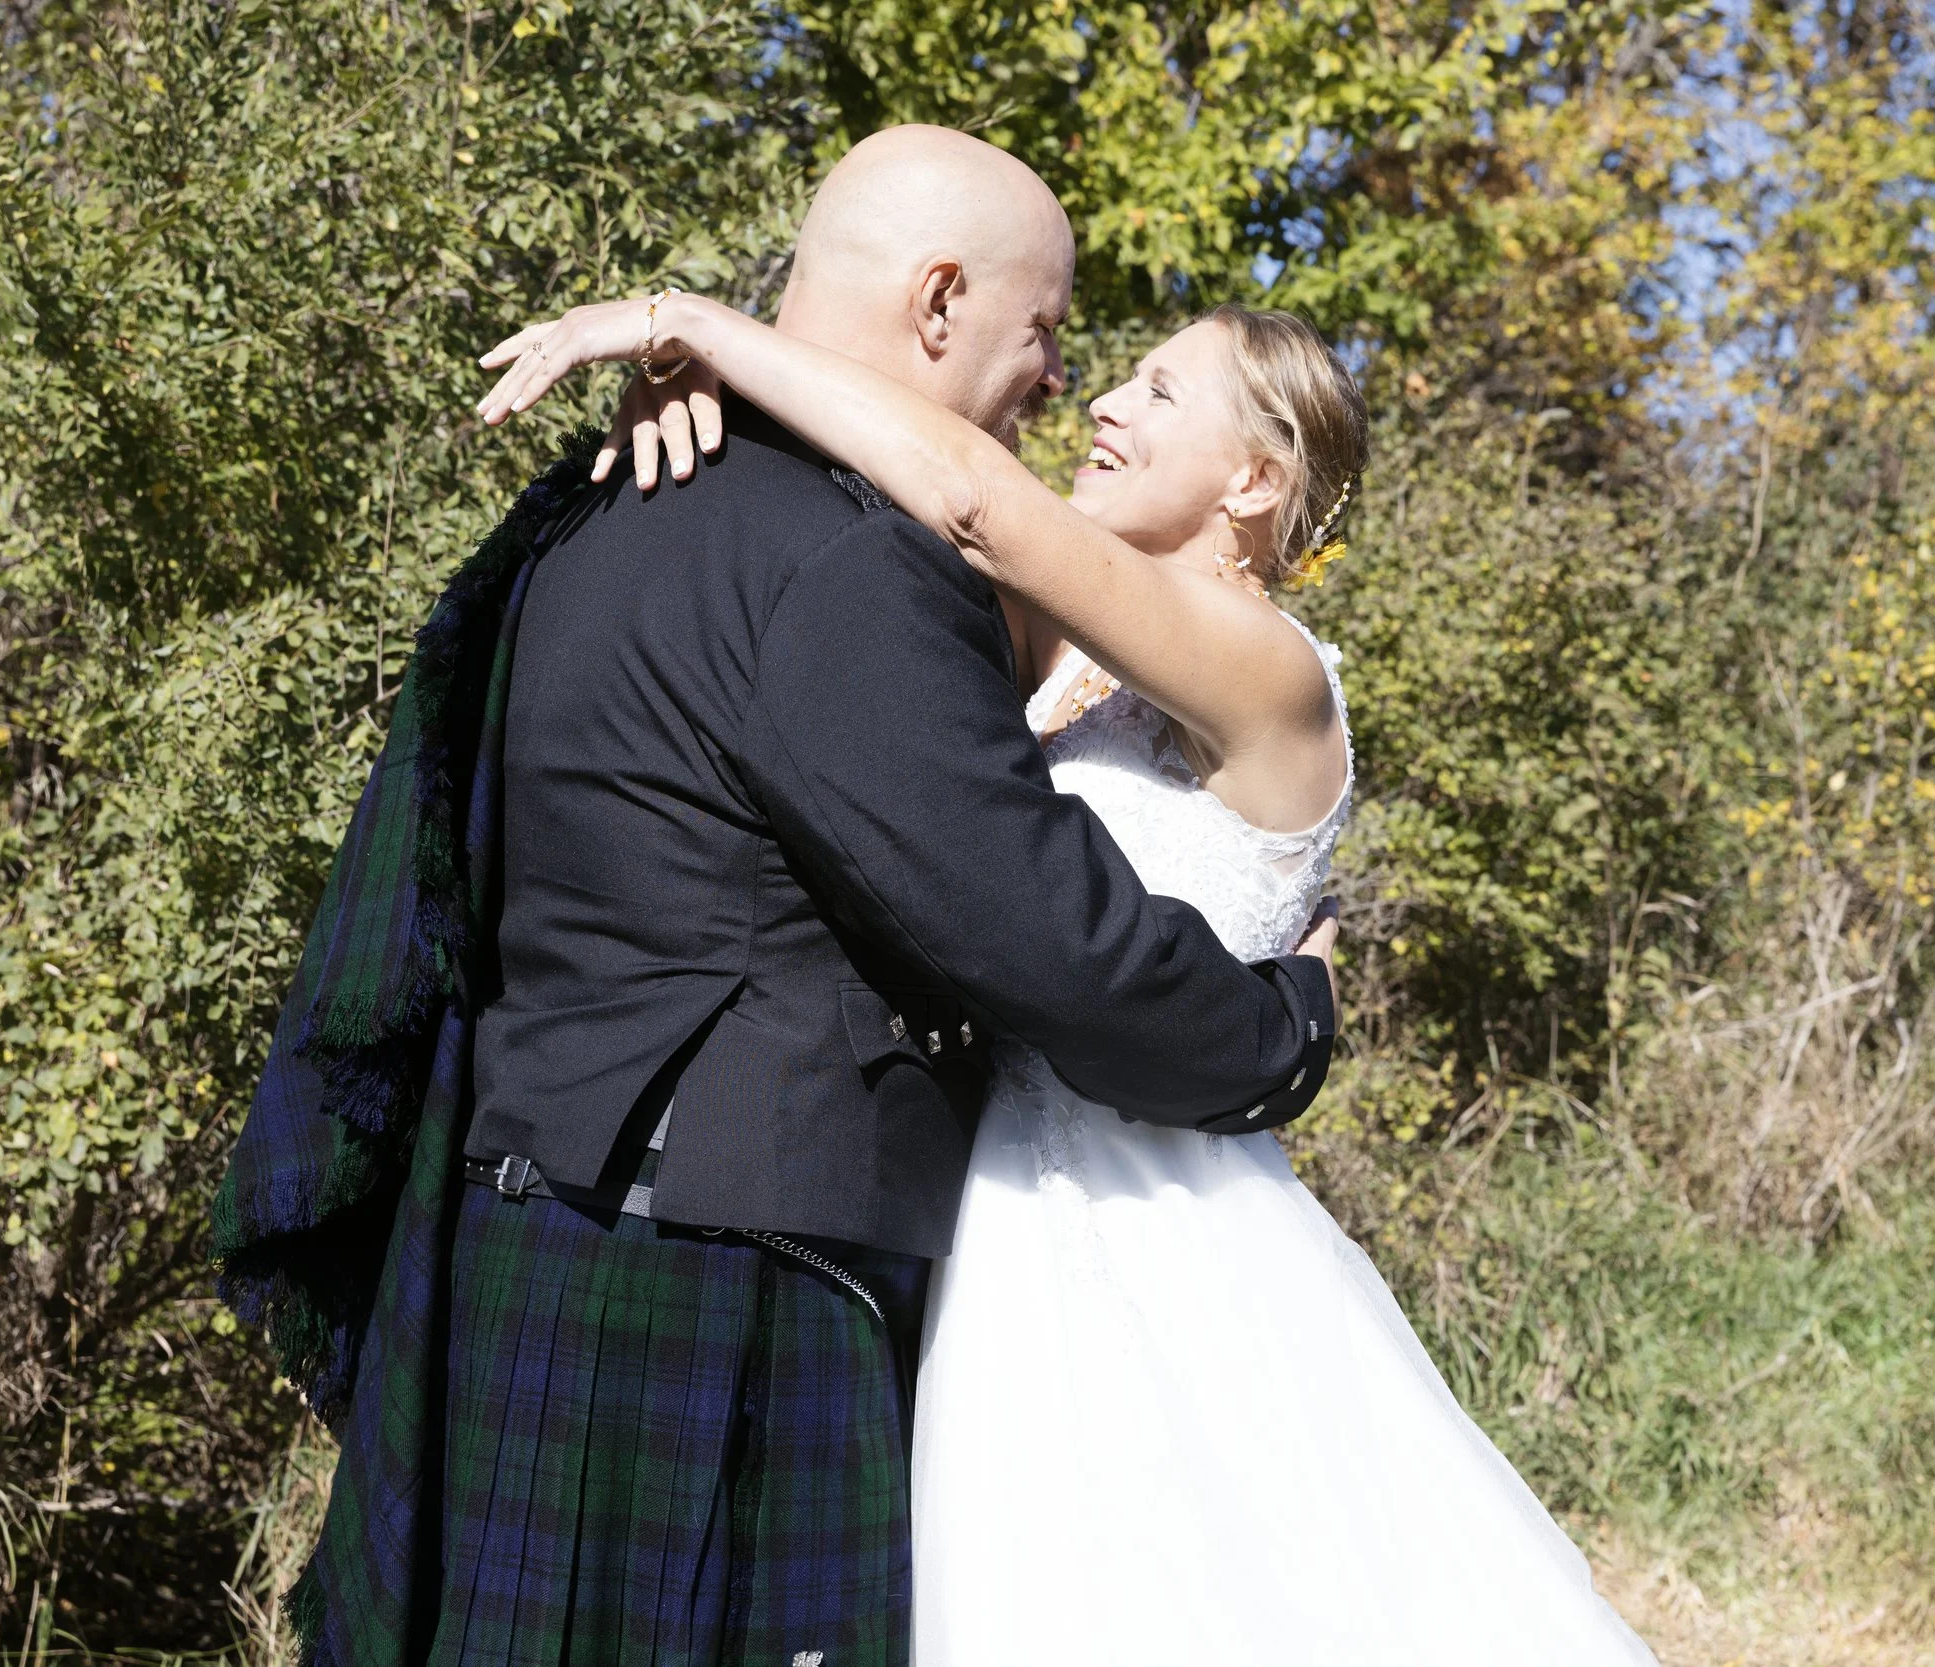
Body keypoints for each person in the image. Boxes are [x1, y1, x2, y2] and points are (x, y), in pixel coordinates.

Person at [479, 130, 1660, 1666]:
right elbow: (889, 494)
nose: (1097, 397)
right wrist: (714, 399)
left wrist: (698, 324)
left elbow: (968, 497)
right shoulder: (1078, 636)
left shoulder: (1270, 669)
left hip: (1157, 1222)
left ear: (1255, 479)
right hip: (997, 1220)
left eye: (1159, 391)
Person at [422, 125, 1341, 1667]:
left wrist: (704, 346)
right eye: (1048, 330)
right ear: (939, 301)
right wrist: (1284, 1032)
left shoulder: (597, 505)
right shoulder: (854, 559)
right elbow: (1042, 930)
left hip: (538, 1207)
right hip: (738, 1253)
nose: (1069, 382)